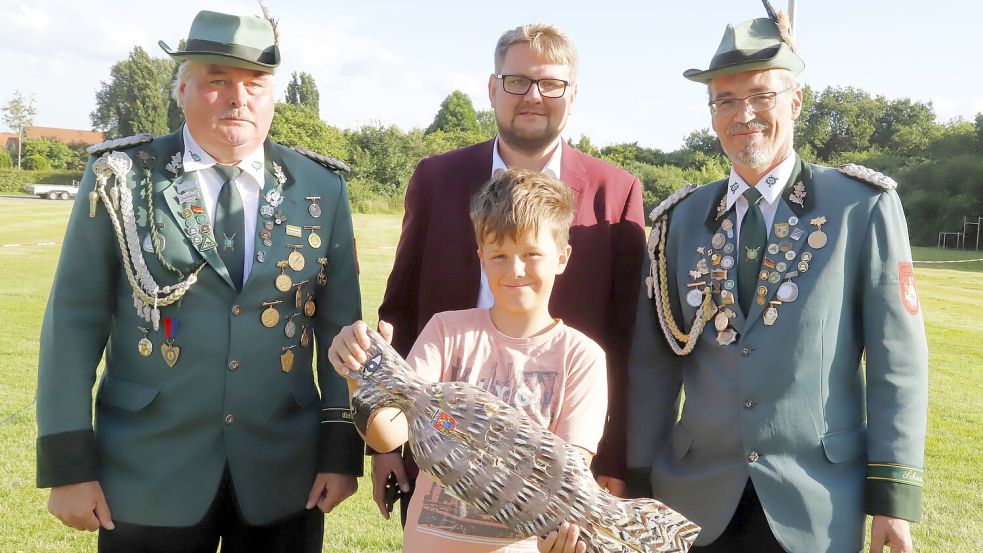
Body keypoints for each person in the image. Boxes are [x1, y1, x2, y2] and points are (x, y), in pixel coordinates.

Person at [36, 10, 363, 552]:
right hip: (148, 469)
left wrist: (339, 451)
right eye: (217, 81)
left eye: (255, 83)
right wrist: (69, 466)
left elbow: (339, 329)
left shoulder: (319, 187)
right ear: (182, 88)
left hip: (283, 472)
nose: (239, 97)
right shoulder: (123, 177)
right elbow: (74, 322)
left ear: (273, 96)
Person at [626, 5, 928, 553]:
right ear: (711, 113)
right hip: (692, 503)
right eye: (725, 100)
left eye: (761, 95)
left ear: (795, 101)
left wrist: (893, 496)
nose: (744, 114)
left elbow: (897, 362)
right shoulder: (680, 220)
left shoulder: (861, 207)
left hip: (817, 501)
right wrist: (639, 479)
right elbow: (653, 367)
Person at [376, 22, 646, 518]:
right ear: (493, 87)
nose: (534, 96)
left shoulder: (617, 192)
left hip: (563, 460)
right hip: (443, 449)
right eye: (518, 80)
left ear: (573, 94)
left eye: (551, 84)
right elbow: (400, 307)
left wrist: (617, 457)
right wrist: (386, 445)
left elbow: (628, 339)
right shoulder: (437, 178)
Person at [329, 168, 607, 553]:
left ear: (562, 257)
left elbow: (567, 476)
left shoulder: (583, 357)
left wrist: (560, 539)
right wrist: (362, 374)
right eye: (499, 255)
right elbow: (387, 434)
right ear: (481, 258)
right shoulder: (445, 332)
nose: (515, 270)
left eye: (532, 254)